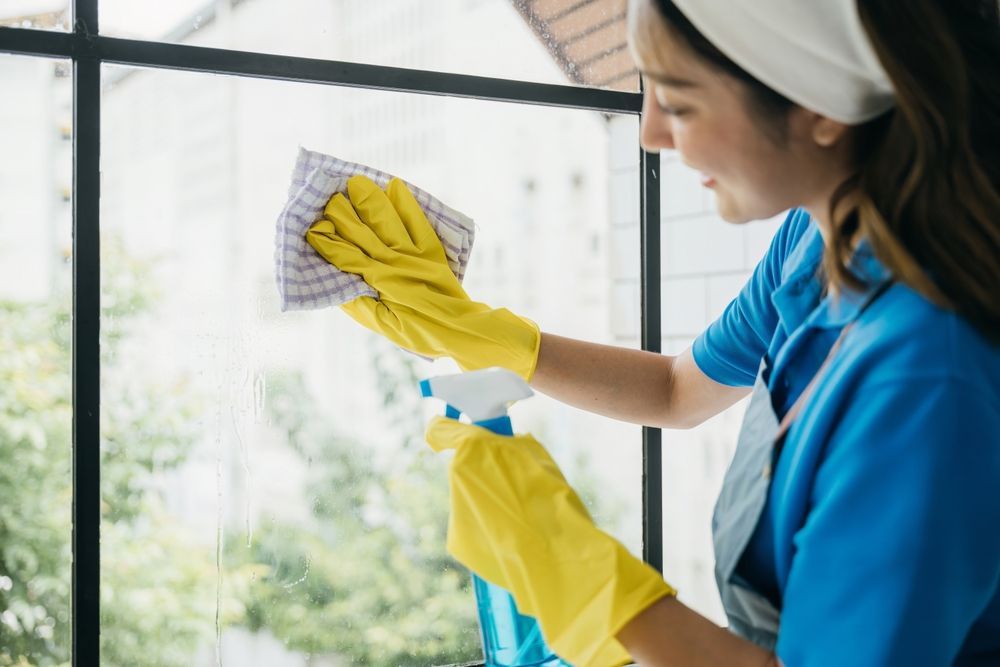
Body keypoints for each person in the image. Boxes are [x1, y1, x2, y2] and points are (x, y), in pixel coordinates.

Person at [305, 0, 1000, 664]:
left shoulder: (926, 376)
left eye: (680, 100)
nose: (651, 133)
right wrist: (481, 330)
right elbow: (675, 390)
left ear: (818, 104)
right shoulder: (815, 239)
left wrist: (590, 580)